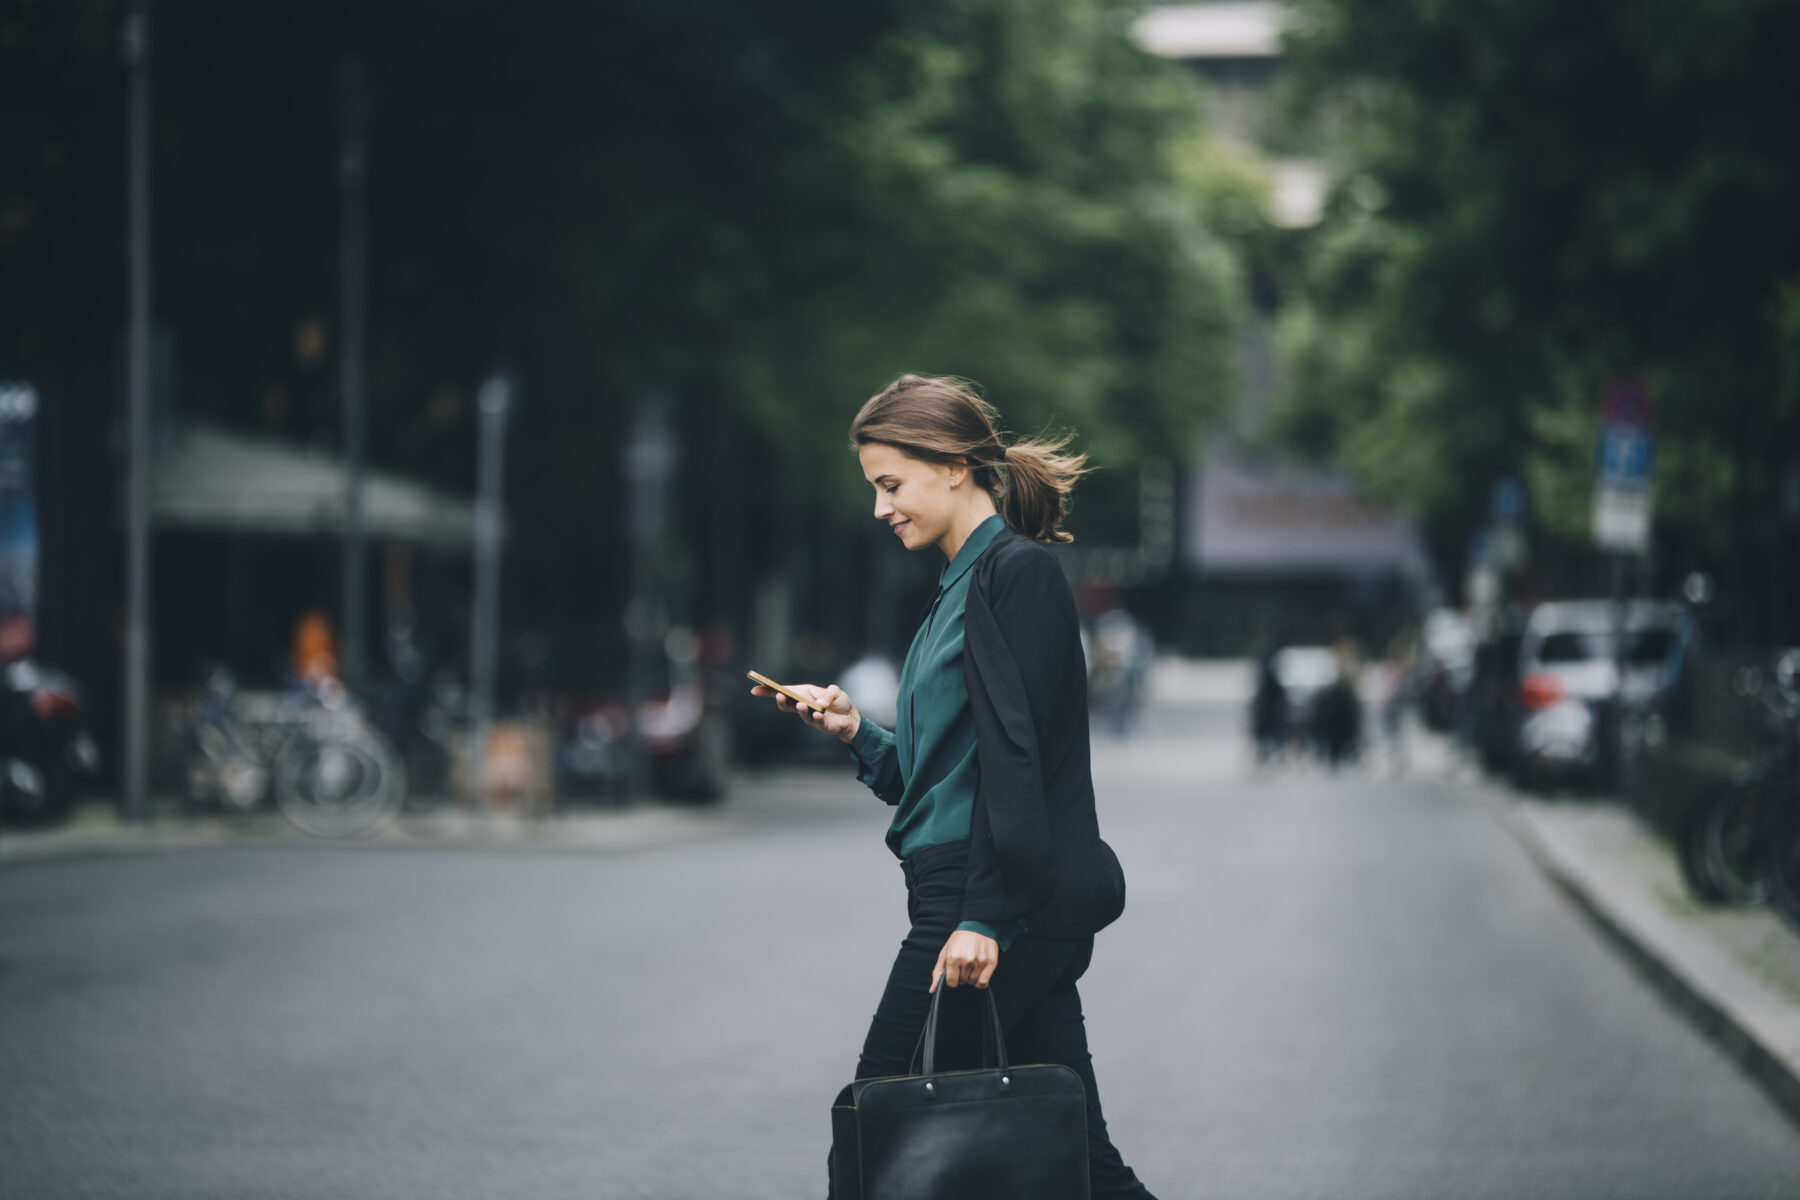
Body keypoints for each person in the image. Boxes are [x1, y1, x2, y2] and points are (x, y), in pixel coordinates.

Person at [751, 374, 1158, 1200]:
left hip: (985, 902)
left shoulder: (1016, 575)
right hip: (985, 893)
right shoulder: (955, 589)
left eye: (890, 485)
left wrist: (982, 916)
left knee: (876, 1129)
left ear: (950, 465)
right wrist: (856, 732)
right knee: (1085, 1167)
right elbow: (939, 781)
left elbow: (1023, 763)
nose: (880, 508)